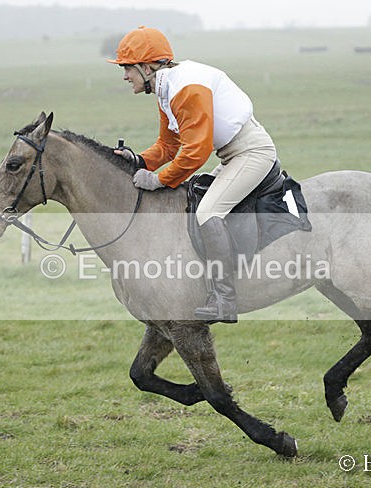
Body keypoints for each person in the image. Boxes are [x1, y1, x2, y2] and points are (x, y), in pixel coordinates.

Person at [109, 26, 277, 323]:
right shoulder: (166, 89)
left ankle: (225, 299)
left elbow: (196, 152)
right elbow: (168, 145)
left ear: (146, 68)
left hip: (251, 153)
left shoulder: (185, 88)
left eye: (127, 68)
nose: (124, 76)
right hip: (231, 155)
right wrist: (139, 161)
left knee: (208, 213)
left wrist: (159, 180)